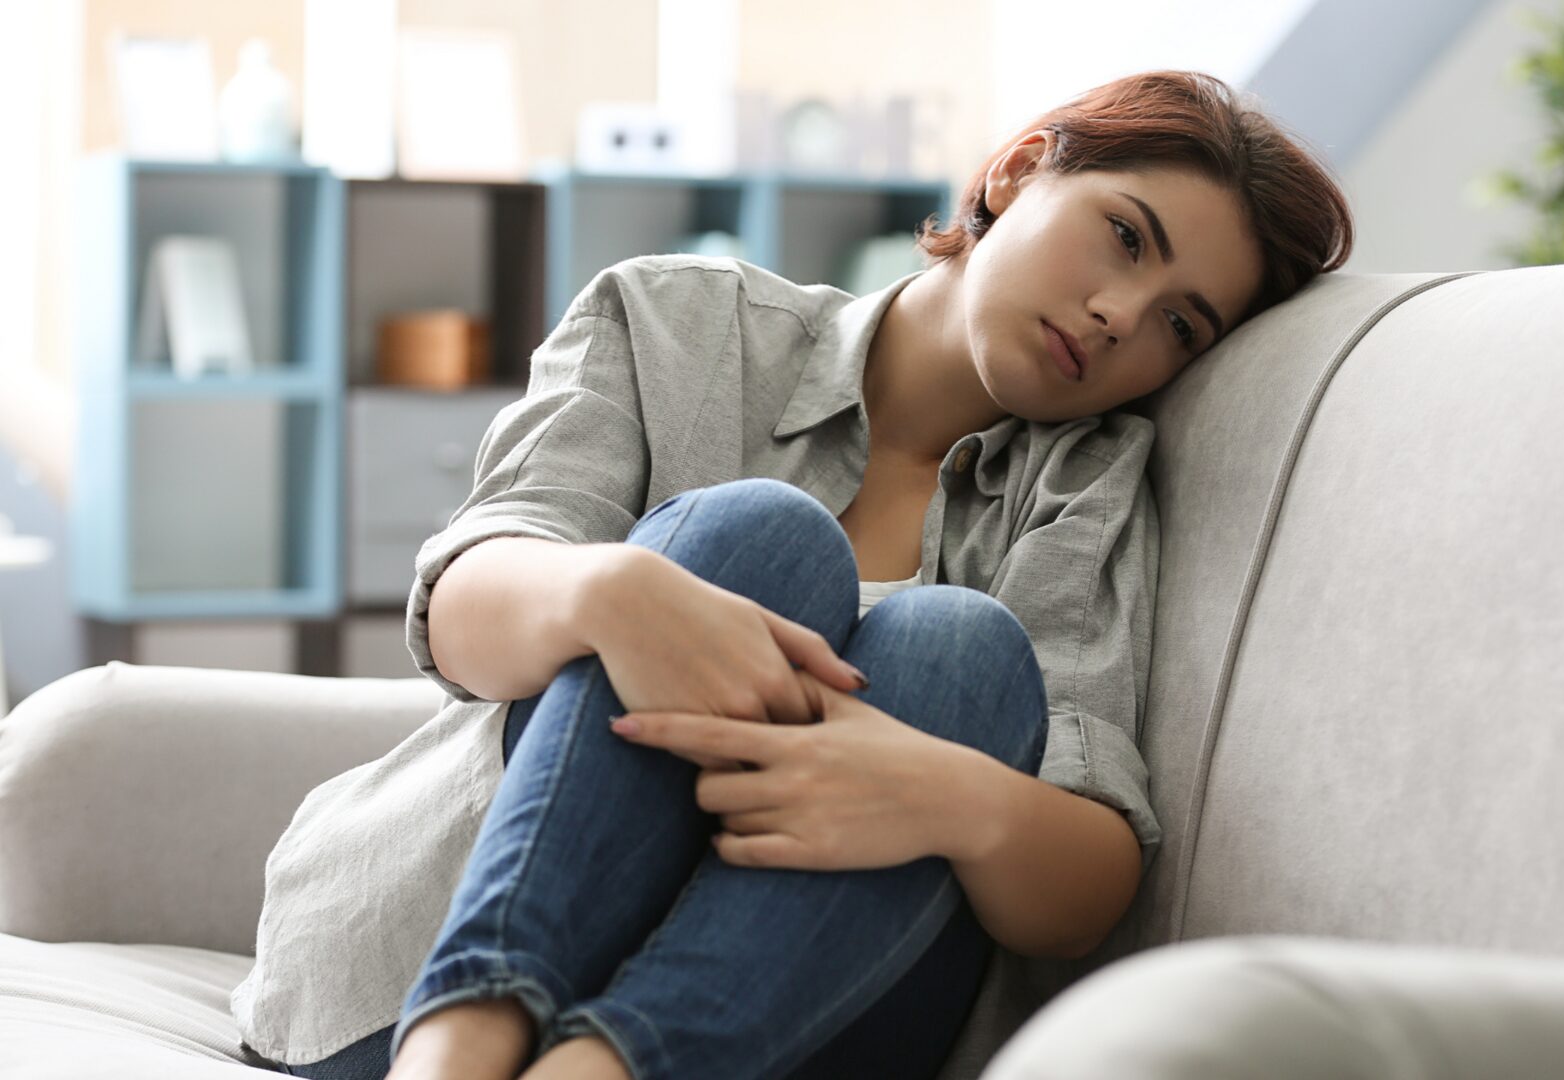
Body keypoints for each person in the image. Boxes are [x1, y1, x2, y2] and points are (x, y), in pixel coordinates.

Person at [230, 69, 1354, 1080]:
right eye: (1123, 236)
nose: (1121, 316)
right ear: (1016, 172)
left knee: (957, 648)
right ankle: (467, 1041)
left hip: (794, 1010)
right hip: (429, 962)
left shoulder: (1084, 486)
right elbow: (464, 617)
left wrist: (937, 790)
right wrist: (616, 596)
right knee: (758, 539)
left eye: (1180, 324)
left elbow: (1085, 885)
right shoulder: (678, 323)